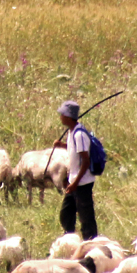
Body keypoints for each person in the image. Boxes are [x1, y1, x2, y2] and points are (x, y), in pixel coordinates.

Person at [54, 100, 98, 240]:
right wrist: (62, 145)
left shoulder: (80, 134)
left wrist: (75, 183)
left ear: (68, 116)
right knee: (66, 214)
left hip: (82, 183)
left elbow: (85, 161)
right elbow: (75, 151)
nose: (60, 116)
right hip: (74, 181)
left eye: (62, 114)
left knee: (86, 217)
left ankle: (90, 242)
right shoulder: (72, 132)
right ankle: (70, 240)